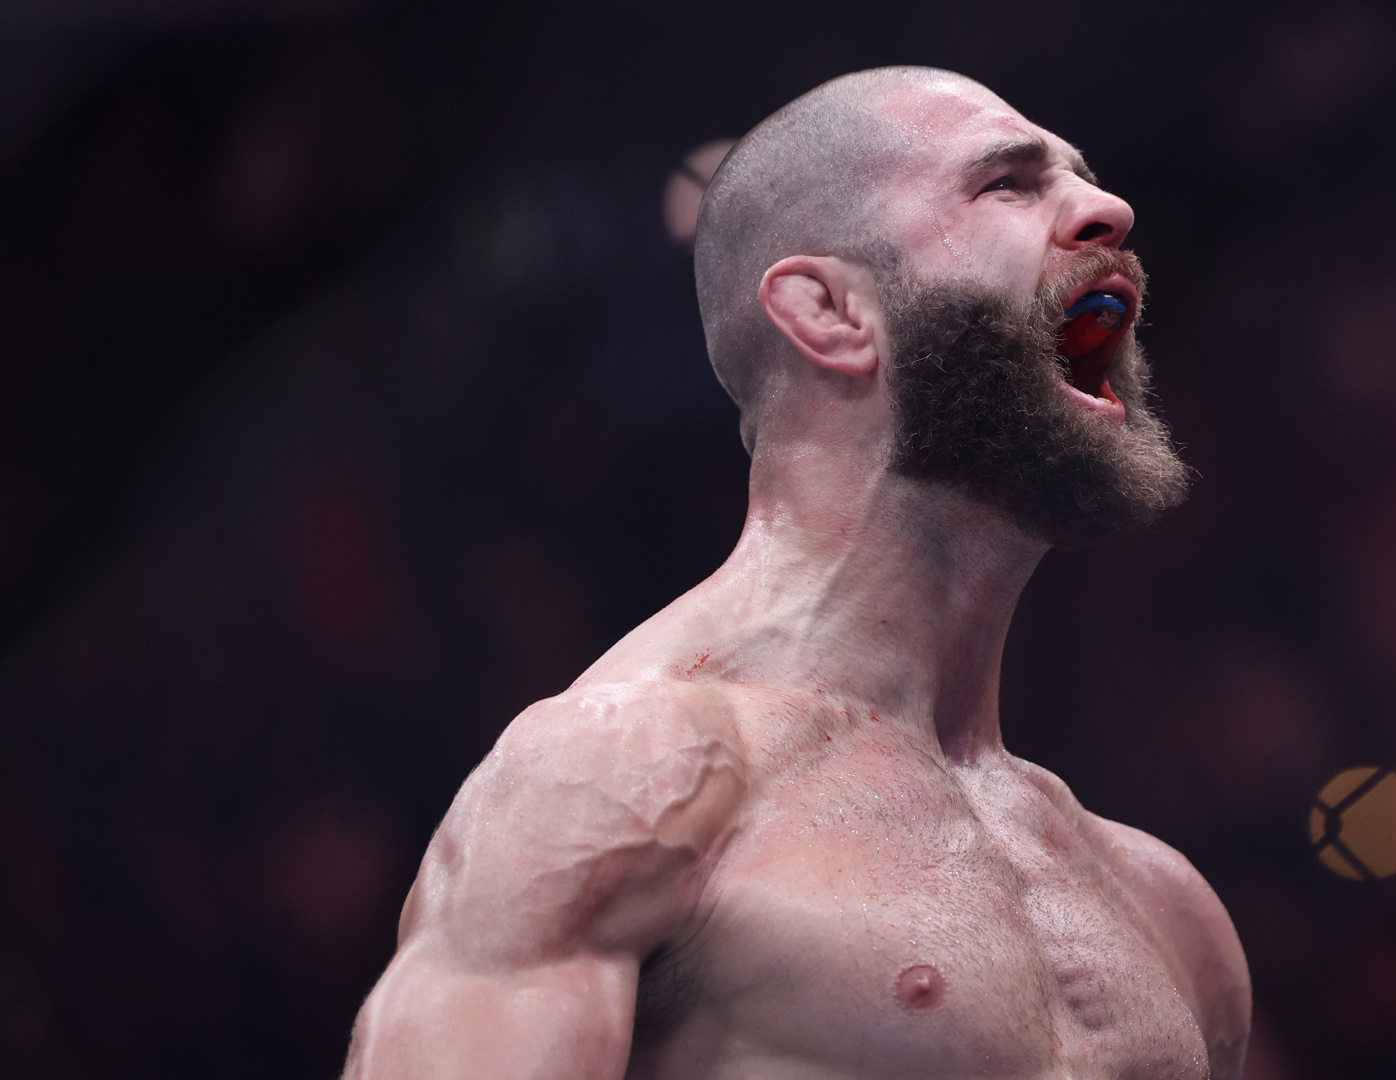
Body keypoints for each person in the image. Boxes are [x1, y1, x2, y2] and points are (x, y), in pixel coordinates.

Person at [342, 66, 1250, 1079]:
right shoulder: (615, 783)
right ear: (828, 309)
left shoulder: (1168, 912)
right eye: (1009, 182)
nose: (1107, 208)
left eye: (1082, 176)